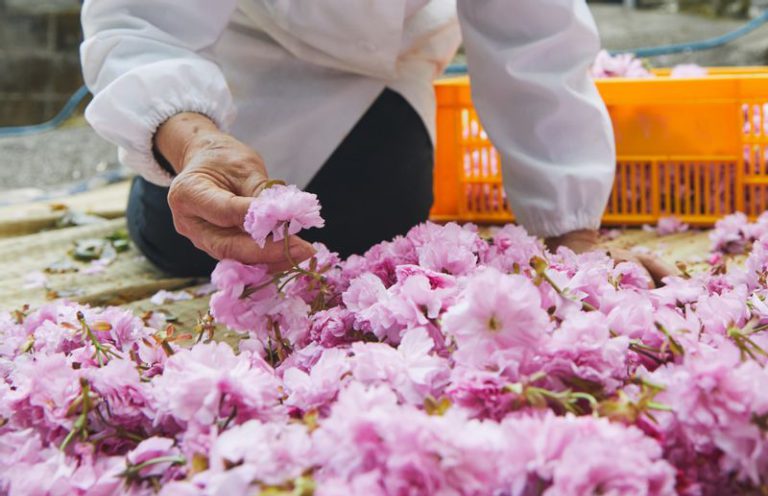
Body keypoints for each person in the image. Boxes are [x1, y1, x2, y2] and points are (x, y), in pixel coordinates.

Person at [80, 0, 672, 281]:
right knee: (191, 238)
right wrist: (191, 138)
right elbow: (142, 22)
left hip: (380, 66)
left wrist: (573, 231)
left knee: (376, 216)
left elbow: (534, 43)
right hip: (241, 54)